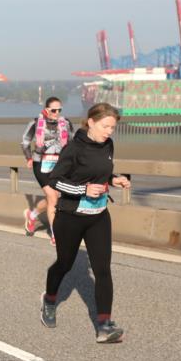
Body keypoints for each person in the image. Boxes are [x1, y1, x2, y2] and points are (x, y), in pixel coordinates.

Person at [41, 103, 131, 343]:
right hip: (70, 217)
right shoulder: (73, 149)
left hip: (99, 216)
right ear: (91, 122)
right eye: (105, 126)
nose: (109, 132)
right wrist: (83, 189)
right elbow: (55, 181)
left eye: (112, 128)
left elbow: (100, 172)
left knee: (102, 270)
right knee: (64, 264)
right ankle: (49, 300)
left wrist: (114, 179)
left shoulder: (108, 145)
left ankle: (104, 326)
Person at [22, 97, 74, 245]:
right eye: (53, 110)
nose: (57, 113)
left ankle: (32, 215)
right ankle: (55, 234)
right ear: (46, 109)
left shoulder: (66, 123)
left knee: (54, 197)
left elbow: (73, 143)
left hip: (59, 165)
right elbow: (25, 142)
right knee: (52, 196)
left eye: (59, 110)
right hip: (41, 163)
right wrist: (29, 158)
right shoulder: (35, 122)